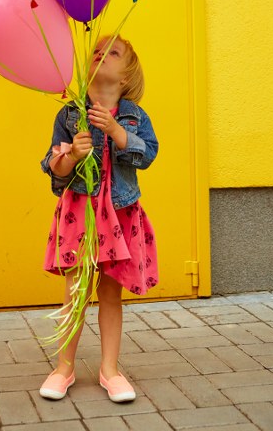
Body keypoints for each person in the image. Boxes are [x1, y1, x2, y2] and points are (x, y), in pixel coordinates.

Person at [39, 35, 159, 402]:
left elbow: (148, 154)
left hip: (118, 214)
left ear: (125, 78)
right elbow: (53, 168)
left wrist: (116, 131)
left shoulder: (135, 117)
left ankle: (109, 370)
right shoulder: (70, 115)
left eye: (114, 51)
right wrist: (72, 155)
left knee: (110, 293)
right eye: (97, 50)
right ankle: (64, 367)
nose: (101, 53)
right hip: (79, 212)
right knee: (75, 293)